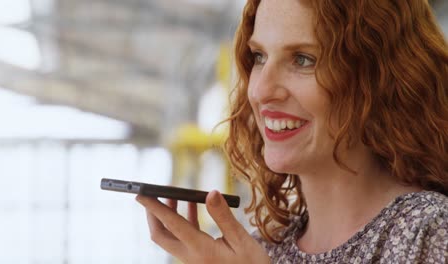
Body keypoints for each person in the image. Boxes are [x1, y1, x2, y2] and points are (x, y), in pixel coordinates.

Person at [135, 0, 448, 263]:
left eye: (303, 59)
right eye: (259, 56)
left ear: (380, 78)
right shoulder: (264, 249)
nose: (262, 90)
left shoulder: (430, 230)